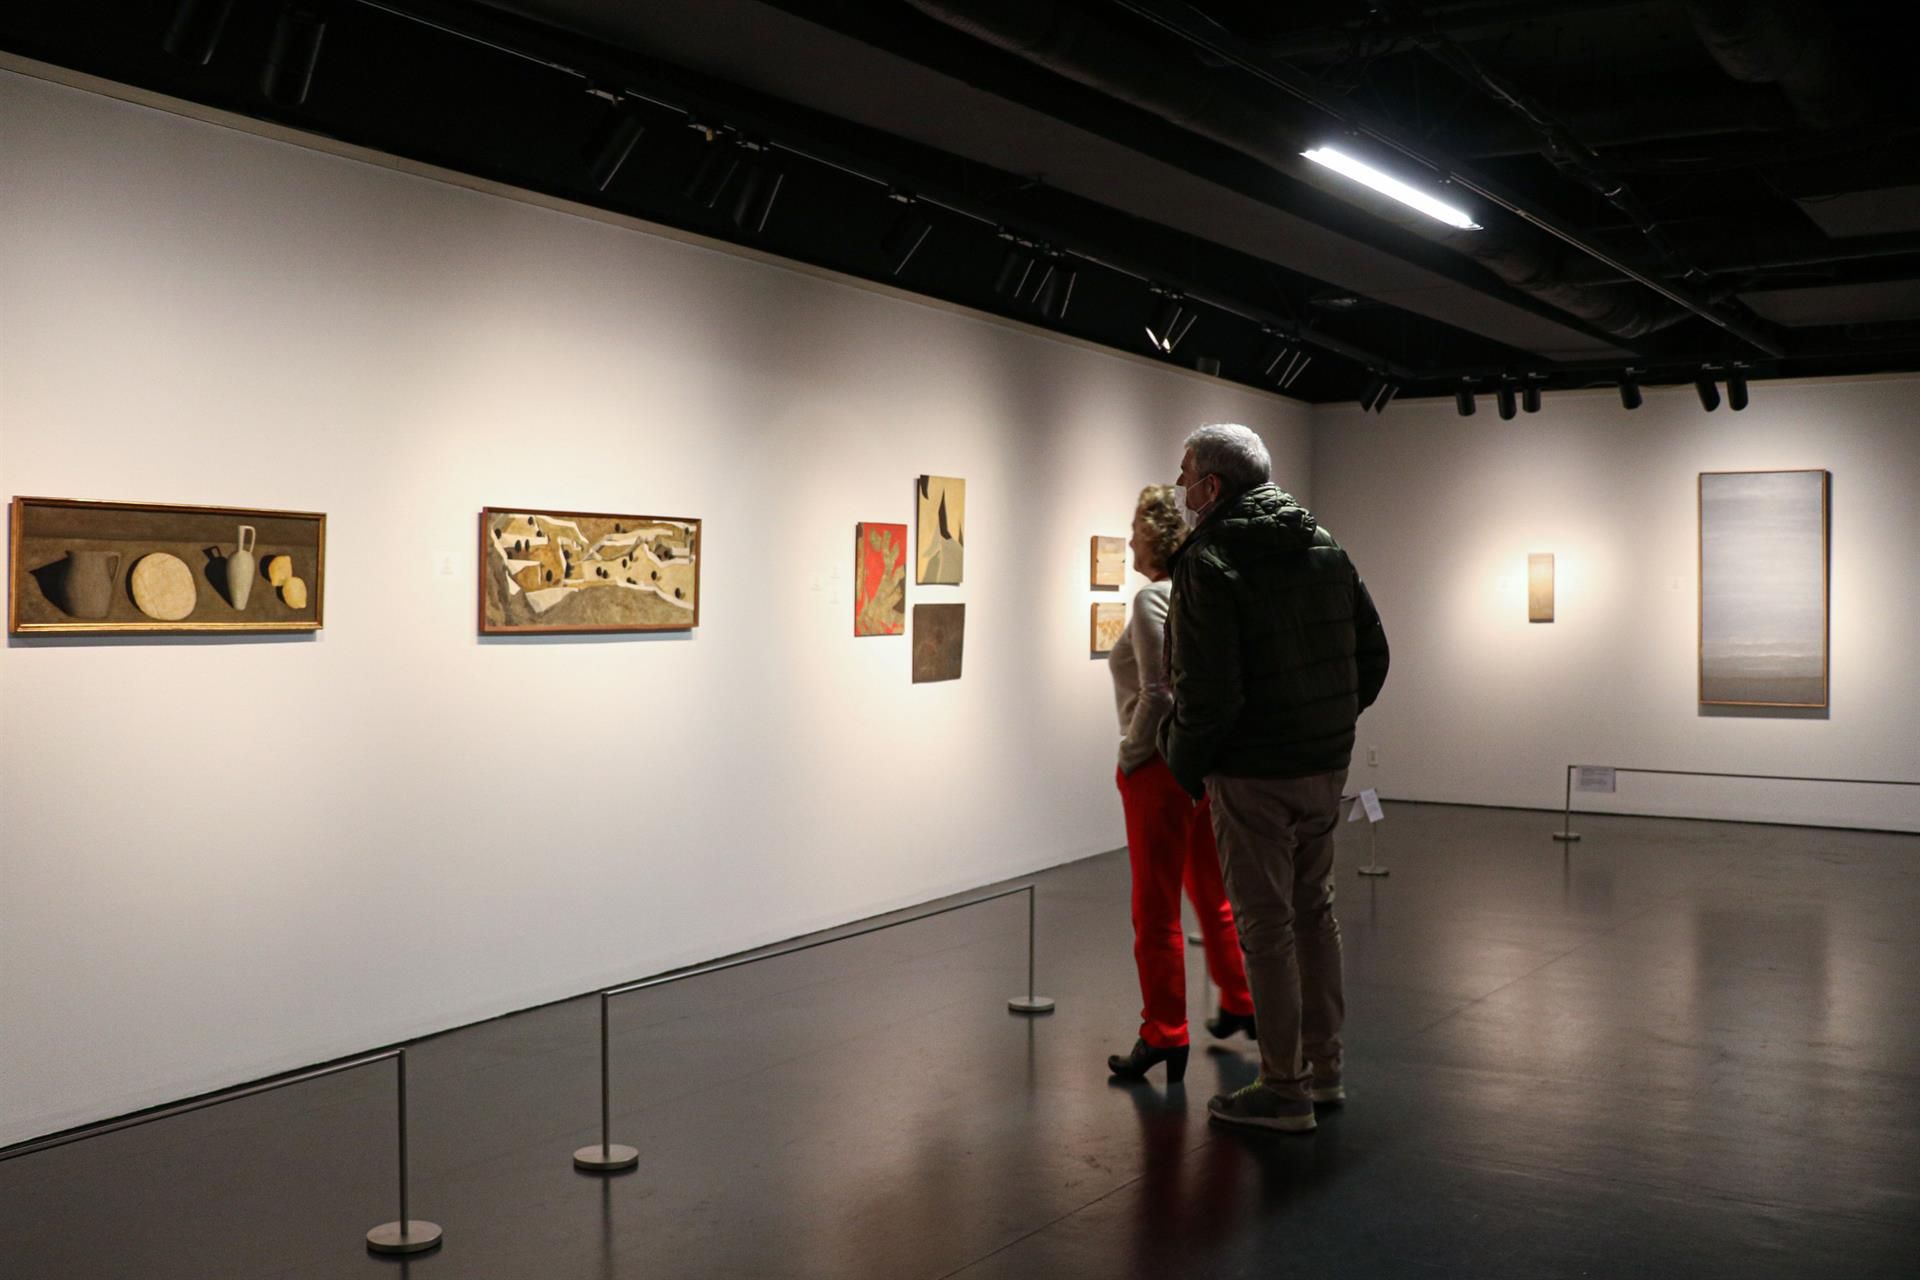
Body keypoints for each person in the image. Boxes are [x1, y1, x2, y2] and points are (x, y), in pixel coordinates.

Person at [1159, 424, 1389, 1133]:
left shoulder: (1210, 561)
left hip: (1252, 772)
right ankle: (1326, 1073)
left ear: (1213, 487)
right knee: (1314, 914)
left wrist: (1180, 757)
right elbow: (1373, 657)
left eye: (1185, 475)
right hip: (1323, 765)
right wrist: (1326, 725)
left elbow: (1207, 695)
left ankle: (1284, 1088)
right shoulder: (1324, 546)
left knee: (1266, 927)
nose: (1181, 489)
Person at [1105, 485, 1257, 1084]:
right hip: (1202, 768)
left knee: (1155, 907)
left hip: (1158, 771)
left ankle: (1164, 1032)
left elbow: (1158, 691)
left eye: (1137, 527)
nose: (1130, 539)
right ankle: (1242, 1000)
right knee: (1210, 892)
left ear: (1160, 535)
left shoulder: (1150, 600)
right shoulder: (1200, 593)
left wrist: (1130, 754)